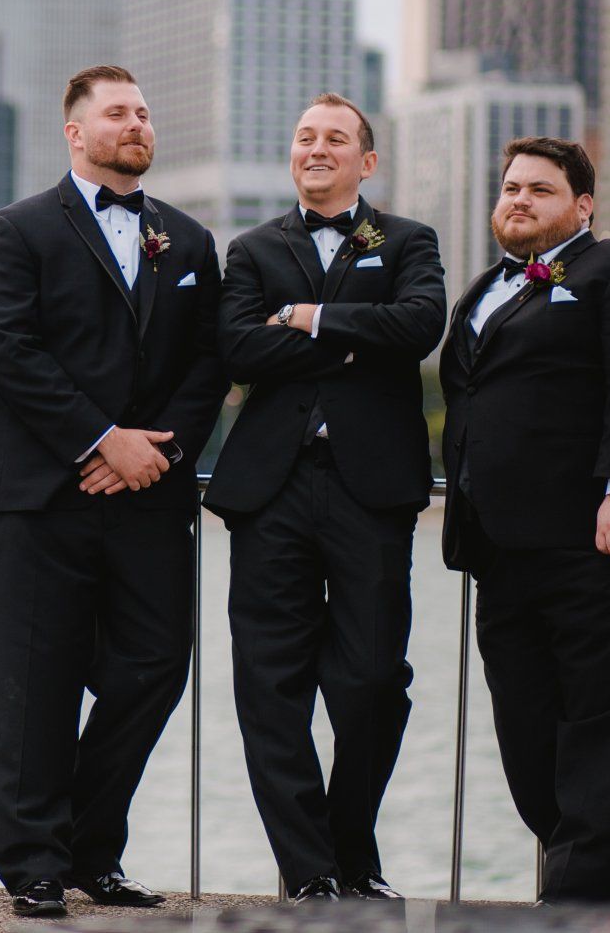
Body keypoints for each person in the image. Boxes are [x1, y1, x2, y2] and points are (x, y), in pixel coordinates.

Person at [0, 65, 227, 919]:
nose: (137, 123)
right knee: (32, 682)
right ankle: (34, 862)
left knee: (156, 666)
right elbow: (9, 349)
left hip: (148, 496)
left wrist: (156, 448)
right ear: (75, 132)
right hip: (42, 499)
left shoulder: (189, 241)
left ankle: (89, 844)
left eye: (144, 112)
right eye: (118, 113)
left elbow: (209, 361)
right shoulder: (15, 231)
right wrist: (99, 437)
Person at [440, 137, 610, 905]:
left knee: (595, 738)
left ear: (583, 205)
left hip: (602, 543)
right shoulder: (482, 290)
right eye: (511, 187)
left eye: (540, 189)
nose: (519, 198)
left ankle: (569, 914)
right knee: (529, 746)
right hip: (502, 552)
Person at [207, 94, 445, 901]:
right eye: (305, 135)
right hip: (270, 489)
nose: (317, 147)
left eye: (335, 138)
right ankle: (310, 872)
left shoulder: (408, 240)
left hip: (370, 488)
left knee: (373, 679)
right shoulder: (250, 248)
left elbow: (418, 324)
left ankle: (350, 849)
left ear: (366, 161)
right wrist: (351, 340)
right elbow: (236, 347)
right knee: (269, 685)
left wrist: (306, 318)